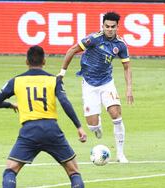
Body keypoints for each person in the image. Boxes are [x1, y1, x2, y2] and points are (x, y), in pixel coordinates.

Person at [0, 45, 97, 188]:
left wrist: (10, 104)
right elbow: (65, 102)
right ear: (44, 61)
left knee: (11, 170)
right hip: (52, 130)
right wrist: (78, 126)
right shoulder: (54, 80)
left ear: (27, 61)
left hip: (29, 131)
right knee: (73, 171)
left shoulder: (16, 81)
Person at [57, 11, 133, 163]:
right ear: (102, 26)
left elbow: (127, 67)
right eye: (107, 26)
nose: (110, 29)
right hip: (89, 84)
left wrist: (129, 88)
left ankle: (120, 154)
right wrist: (62, 73)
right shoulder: (93, 39)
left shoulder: (120, 44)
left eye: (113, 27)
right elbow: (72, 50)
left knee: (116, 115)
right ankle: (97, 129)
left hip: (107, 83)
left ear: (117, 27)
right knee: (92, 125)